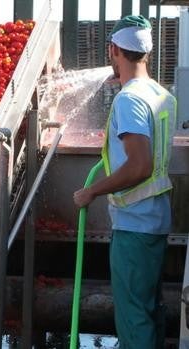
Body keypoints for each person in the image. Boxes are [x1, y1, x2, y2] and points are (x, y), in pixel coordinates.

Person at [73, 15, 177, 349]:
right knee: (149, 311)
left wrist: (92, 190)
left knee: (133, 319)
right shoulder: (160, 94)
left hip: (135, 225)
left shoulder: (130, 100)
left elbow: (140, 166)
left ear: (114, 49)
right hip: (154, 220)